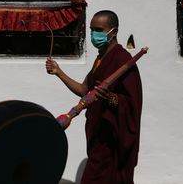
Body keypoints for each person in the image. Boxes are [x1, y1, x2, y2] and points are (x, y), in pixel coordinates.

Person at [46, 10, 143, 184]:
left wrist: (111, 98)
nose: (93, 35)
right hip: (97, 136)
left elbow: (132, 104)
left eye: (98, 29)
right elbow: (85, 90)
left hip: (111, 141)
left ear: (113, 32)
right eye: (91, 29)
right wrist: (59, 72)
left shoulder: (123, 60)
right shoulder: (101, 59)